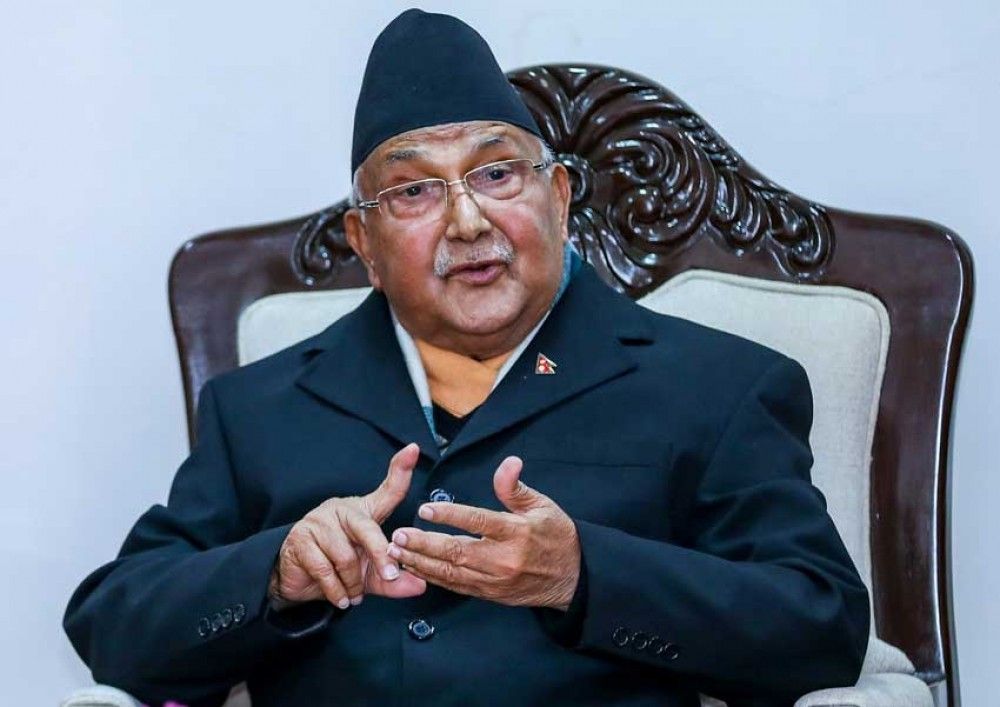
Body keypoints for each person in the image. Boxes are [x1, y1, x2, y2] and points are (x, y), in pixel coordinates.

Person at [64, 9, 869, 707]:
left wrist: (583, 575)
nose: (469, 220)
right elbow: (115, 626)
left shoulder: (716, 385)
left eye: (497, 173)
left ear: (558, 200)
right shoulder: (261, 407)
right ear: (364, 243)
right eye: (413, 191)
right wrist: (276, 574)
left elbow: (821, 628)